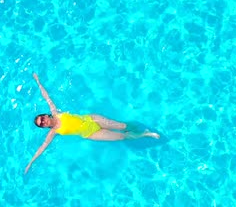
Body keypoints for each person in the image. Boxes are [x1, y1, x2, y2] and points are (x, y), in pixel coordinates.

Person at [25, 73, 160, 174]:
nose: (43, 121)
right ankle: (145, 134)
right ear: (44, 126)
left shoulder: (55, 112)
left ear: (45, 115)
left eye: (42, 118)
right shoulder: (54, 132)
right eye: (41, 123)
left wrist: (38, 81)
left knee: (122, 126)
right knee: (121, 136)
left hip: (92, 119)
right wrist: (31, 162)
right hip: (92, 133)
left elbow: (47, 97)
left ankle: (135, 126)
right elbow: (43, 147)